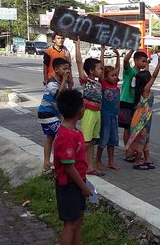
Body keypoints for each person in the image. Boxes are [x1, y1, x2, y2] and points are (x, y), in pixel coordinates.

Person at [53, 89, 90, 245]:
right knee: (70, 223)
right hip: (69, 185)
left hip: (78, 182)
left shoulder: (73, 131)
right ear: (80, 111)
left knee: (78, 219)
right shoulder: (66, 136)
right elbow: (69, 168)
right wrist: (84, 187)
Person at [126, 52, 160, 170]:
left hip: (146, 118)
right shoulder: (146, 90)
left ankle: (147, 159)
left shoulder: (141, 88)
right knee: (141, 140)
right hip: (142, 120)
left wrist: (147, 63)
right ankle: (138, 161)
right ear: (146, 82)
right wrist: (159, 63)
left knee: (146, 139)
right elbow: (153, 76)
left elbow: (146, 75)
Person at [37, 58, 73, 172]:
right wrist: (64, 82)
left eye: (68, 69)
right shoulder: (51, 83)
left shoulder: (62, 82)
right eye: (64, 69)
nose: (67, 71)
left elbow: (66, 97)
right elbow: (58, 96)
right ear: (56, 69)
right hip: (46, 113)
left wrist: (69, 83)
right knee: (60, 135)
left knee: (51, 137)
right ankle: (54, 161)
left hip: (54, 113)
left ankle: (47, 162)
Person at [75, 38, 104, 176]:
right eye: (99, 68)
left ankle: (90, 167)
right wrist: (77, 46)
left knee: (92, 141)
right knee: (86, 142)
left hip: (97, 112)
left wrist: (103, 51)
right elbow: (79, 62)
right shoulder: (85, 80)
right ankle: (73, 163)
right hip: (88, 113)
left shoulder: (98, 82)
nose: (101, 70)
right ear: (91, 71)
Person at [118, 49, 149, 162]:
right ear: (136, 61)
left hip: (137, 103)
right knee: (127, 128)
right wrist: (131, 49)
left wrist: (148, 64)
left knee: (135, 128)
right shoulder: (129, 71)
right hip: (126, 101)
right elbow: (125, 60)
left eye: (146, 62)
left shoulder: (141, 74)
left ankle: (135, 149)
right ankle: (128, 150)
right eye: (143, 61)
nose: (145, 64)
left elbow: (148, 76)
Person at [96, 46, 121, 171]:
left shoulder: (115, 84)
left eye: (116, 75)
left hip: (114, 116)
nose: (115, 77)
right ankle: (98, 160)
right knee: (103, 139)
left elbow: (117, 68)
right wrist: (102, 52)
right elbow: (101, 67)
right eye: (112, 75)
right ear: (105, 77)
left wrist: (117, 55)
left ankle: (111, 161)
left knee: (113, 140)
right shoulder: (103, 83)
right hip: (105, 115)